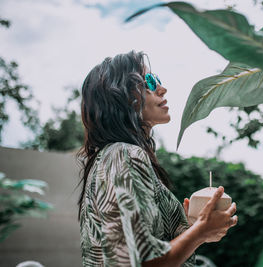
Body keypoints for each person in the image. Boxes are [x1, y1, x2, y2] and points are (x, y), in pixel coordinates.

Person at [78, 51, 238, 267]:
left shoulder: (111, 157)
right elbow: (144, 262)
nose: (162, 88)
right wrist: (200, 232)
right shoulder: (124, 155)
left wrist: (195, 228)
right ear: (121, 96)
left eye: (158, 80)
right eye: (149, 82)